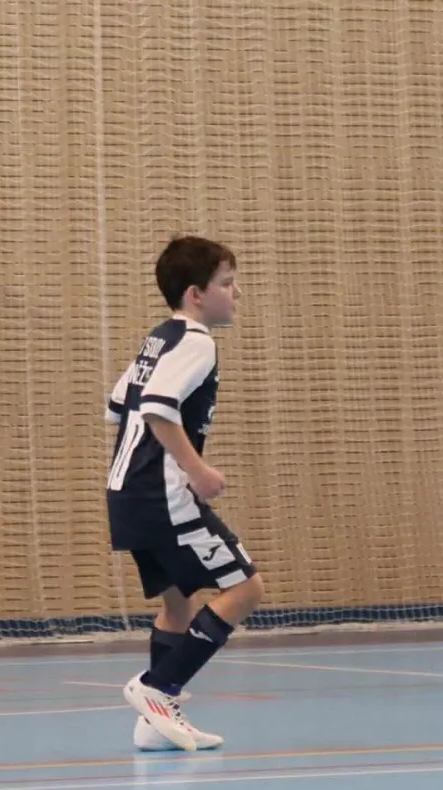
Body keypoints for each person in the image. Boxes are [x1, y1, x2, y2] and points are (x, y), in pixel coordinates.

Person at [105, 236, 264, 753]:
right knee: (245, 589)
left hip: (127, 493)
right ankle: (159, 688)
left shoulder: (159, 338)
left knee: (178, 603)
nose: (236, 292)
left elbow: (116, 405)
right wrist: (196, 471)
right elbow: (155, 406)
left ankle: (155, 725)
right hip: (162, 496)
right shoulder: (196, 341)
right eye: (227, 284)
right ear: (196, 294)